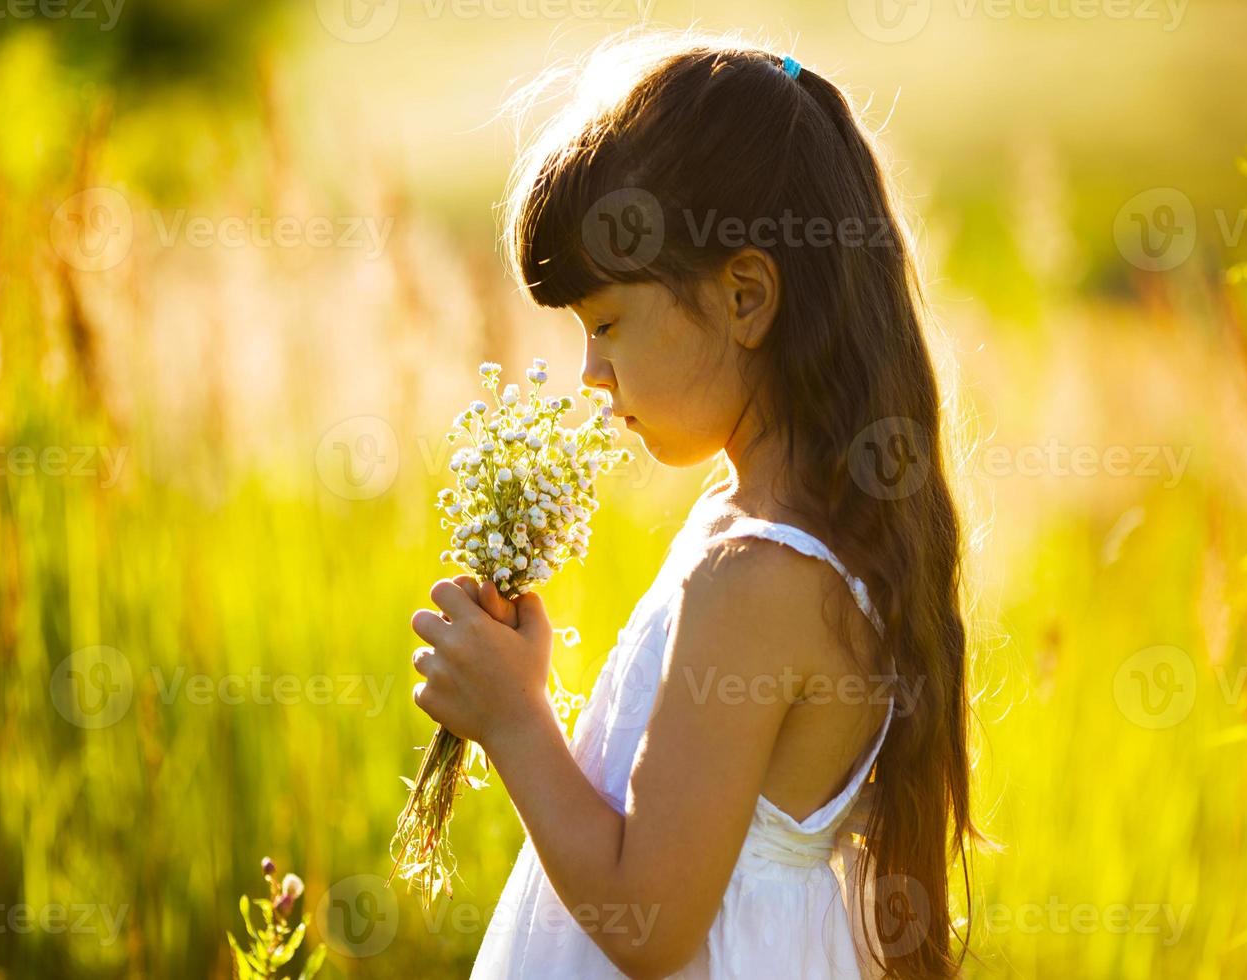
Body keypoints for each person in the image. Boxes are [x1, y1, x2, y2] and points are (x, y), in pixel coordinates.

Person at [410, 30, 980, 979]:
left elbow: (647, 924)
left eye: (608, 324)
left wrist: (513, 720)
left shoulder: (756, 578)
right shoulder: (770, 529)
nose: (591, 373)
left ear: (745, 295)